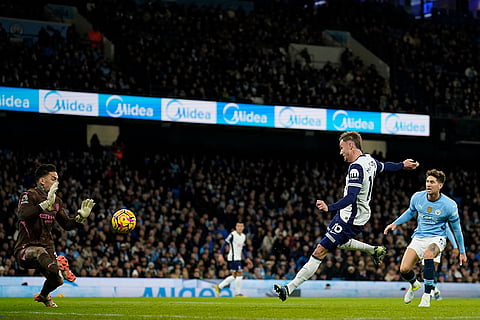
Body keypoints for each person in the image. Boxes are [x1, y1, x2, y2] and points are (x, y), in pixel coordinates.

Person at [273, 131, 419, 301]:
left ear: (351, 145)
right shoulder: (369, 160)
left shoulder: (356, 167)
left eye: (342, 148)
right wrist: (402, 164)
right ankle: (373, 250)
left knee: (320, 251)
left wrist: (329, 207)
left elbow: (351, 198)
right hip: (352, 215)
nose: (340, 152)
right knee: (338, 243)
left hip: (350, 218)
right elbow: (385, 166)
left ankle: (288, 289)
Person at [14, 164, 95, 307]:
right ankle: (59, 264)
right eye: (53, 179)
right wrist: (45, 204)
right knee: (41, 253)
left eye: (58, 179)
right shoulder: (29, 195)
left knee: (57, 281)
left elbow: (67, 225)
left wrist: (80, 218)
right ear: (42, 180)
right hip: (26, 249)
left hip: (47, 248)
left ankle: (44, 295)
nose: (57, 182)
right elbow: (23, 215)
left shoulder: (57, 201)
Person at [384, 169, 467, 307]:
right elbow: (410, 212)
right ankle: (414, 284)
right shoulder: (417, 197)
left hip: (437, 238)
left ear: (440, 185)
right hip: (419, 237)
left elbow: (456, 229)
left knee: (429, 256)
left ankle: (427, 295)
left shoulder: (449, 205)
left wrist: (461, 251)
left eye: (432, 182)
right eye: (427, 181)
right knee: (404, 269)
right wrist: (395, 223)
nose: (428, 184)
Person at [214, 221, 253, 297]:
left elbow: (243, 248)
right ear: (236, 227)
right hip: (233, 258)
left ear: (243, 227)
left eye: (241, 226)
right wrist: (221, 255)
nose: (239, 228)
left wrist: (247, 258)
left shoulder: (243, 236)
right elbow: (225, 243)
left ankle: (219, 287)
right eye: (238, 226)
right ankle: (237, 293)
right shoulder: (232, 235)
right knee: (239, 275)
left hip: (238, 258)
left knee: (234, 276)